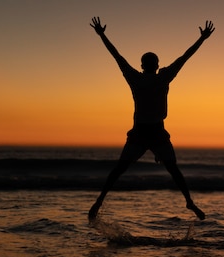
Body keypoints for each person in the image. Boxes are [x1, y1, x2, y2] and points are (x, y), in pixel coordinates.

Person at [88, 16, 215, 222]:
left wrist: (102, 34)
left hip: (142, 131)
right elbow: (185, 57)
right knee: (173, 169)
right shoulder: (163, 77)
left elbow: (116, 56)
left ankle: (100, 200)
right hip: (154, 132)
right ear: (157, 65)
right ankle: (189, 201)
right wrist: (202, 39)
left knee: (120, 168)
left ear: (142, 65)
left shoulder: (135, 77)